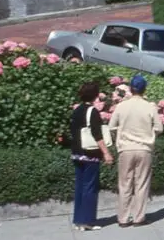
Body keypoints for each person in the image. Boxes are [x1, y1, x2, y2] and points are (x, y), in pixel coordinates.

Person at [109, 74, 164, 227]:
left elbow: (112, 126)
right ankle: (139, 218)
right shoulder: (149, 106)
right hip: (144, 149)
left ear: (131, 89)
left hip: (126, 149)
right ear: (144, 89)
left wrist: (120, 134)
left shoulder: (121, 106)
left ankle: (123, 218)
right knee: (141, 184)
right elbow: (159, 128)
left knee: (124, 184)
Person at [69, 81, 114, 232]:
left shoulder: (77, 110)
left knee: (80, 187)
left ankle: (78, 220)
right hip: (90, 154)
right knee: (90, 187)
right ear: (95, 95)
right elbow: (97, 135)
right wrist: (106, 152)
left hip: (77, 153)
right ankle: (87, 220)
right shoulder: (92, 111)